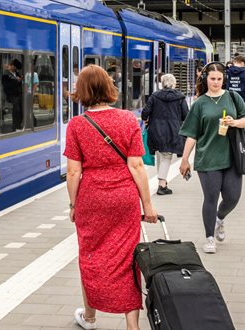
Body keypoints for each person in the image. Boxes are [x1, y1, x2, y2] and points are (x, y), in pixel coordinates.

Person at [64, 64, 159, 330]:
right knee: (127, 258)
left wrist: (74, 204)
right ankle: (132, 324)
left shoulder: (76, 125)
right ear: (108, 86)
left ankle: (90, 317)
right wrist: (147, 205)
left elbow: (73, 172)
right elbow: (136, 165)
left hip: (91, 198)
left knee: (90, 257)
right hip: (124, 198)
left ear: (81, 91)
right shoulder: (127, 119)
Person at [179, 62, 245, 254]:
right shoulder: (199, 104)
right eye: (212, 79)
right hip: (208, 158)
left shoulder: (233, 97)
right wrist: (185, 159)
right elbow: (192, 134)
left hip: (232, 157)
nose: (216, 82)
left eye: (219, 79)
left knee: (233, 197)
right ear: (206, 79)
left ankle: (220, 218)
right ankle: (209, 238)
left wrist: (235, 122)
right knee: (210, 198)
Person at [142, 74, 189, 195]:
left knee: (161, 155)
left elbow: (145, 112)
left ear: (162, 83)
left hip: (155, 130)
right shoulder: (180, 97)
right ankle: (162, 185)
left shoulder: (154, 96)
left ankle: (162, 182)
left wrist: (146, 119)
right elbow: (186, 115)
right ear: (174, 83)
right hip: (173, 130)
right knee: (166, 156)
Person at [2, 58, 24, 132]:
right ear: (12, 66)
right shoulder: (6, 74)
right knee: (16, 109)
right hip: (11, 94)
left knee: (22, 109)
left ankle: (19, 124)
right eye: (15, 68)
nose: (16, 69)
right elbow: (6, 86)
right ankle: (15, 126)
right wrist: (16, 81)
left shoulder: (17, 74)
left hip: (19, 93)